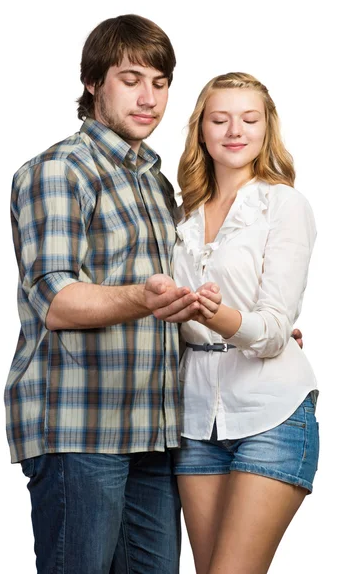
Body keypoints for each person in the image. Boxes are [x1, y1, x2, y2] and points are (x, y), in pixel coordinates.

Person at [5, 14, 223, 574]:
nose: (149, 97)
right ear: (93, 83)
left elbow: (172, 297)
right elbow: (56, 301)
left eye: (160, 81)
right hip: (82, 428)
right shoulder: (60, 170)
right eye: (131, 79)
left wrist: (244, 329)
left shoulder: (154, 181)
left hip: (153, 428)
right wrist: (142, 299)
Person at [159, 72, 319, 574]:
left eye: (249, 119)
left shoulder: (283, 205)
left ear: (266, 128)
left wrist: (218, 316)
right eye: (220, 119)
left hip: (271, 413)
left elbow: (272, 330)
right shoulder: (177, 214)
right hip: (195, 420)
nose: (235, 130)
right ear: (200, 130)